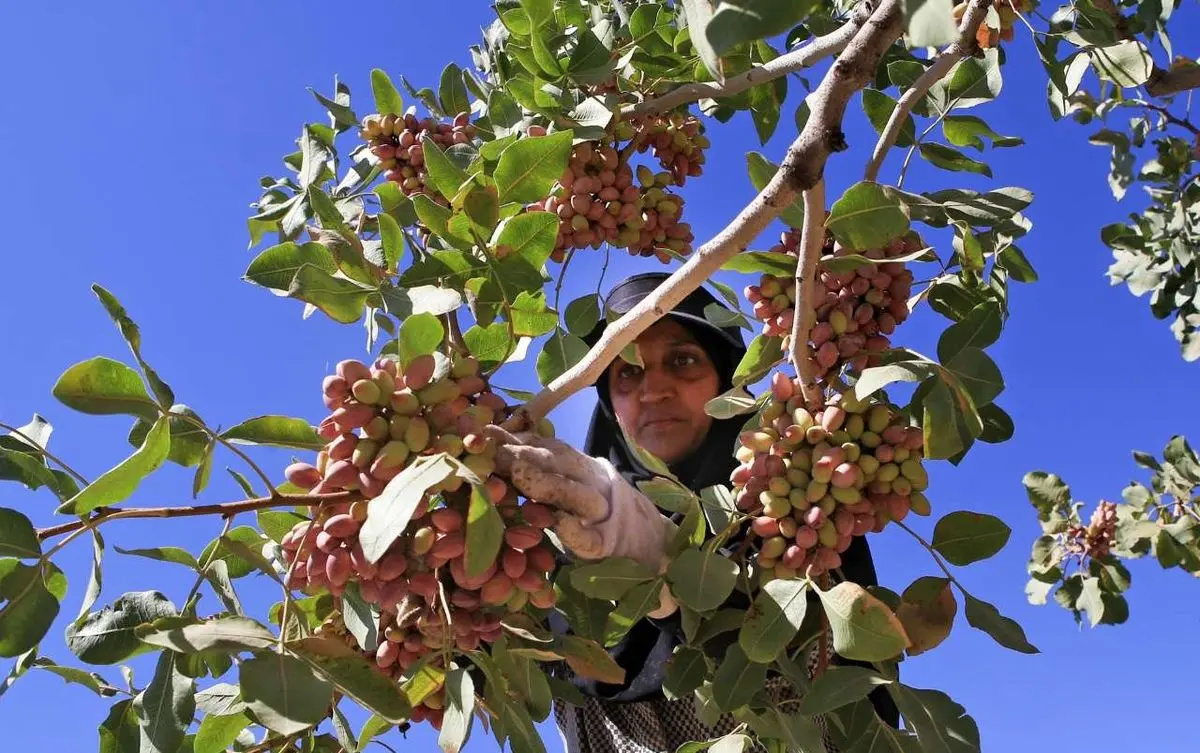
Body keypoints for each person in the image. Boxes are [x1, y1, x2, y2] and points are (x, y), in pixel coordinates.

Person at [485, 273, 897, 753]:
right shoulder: (553, 546)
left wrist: (665, 562)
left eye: (682, 360)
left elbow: (802, 668)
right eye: (627, 371)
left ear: (726, 379)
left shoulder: (797, 516)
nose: (653, 390)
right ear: (608, 400)